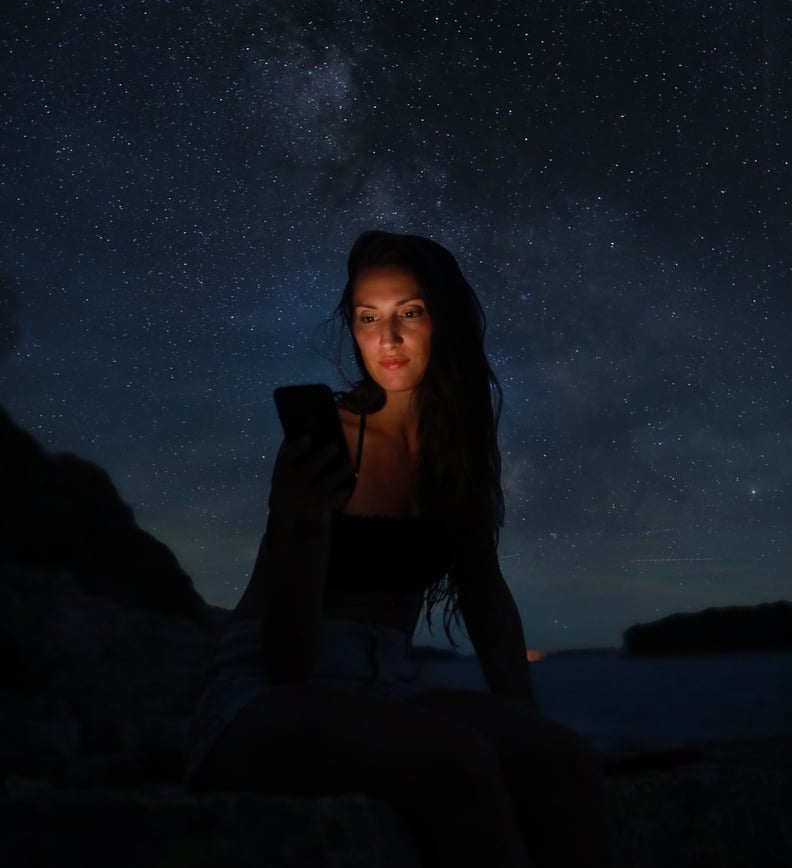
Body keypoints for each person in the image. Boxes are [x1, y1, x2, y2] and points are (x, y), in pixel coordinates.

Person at [186, 231, 610, 868]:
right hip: (269, 691)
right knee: (456, 761)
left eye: (408, 313)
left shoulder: (455, 448)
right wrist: (304, 525)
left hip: (392, 683)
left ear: (443, 320)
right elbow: (287, 658)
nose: (387, 339)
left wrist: (527, 730)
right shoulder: (326, 440)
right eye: (368, 318)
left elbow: (486, 596)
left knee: (565, 761)